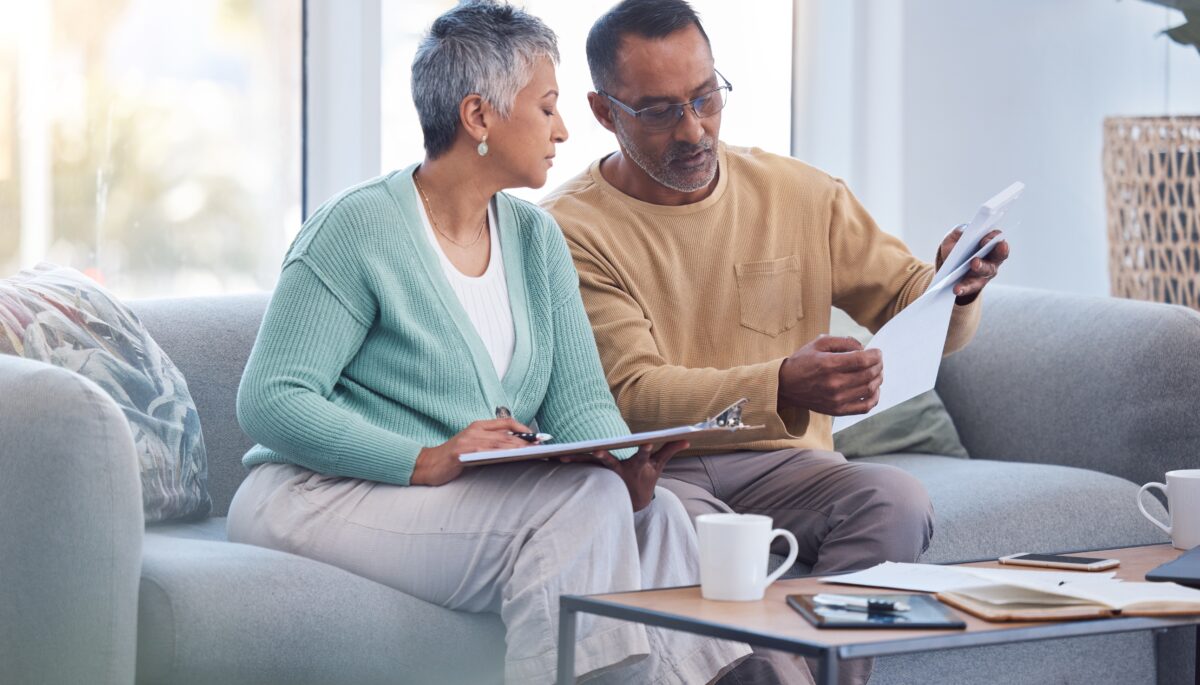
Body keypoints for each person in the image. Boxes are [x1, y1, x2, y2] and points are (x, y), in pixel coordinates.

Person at [225, 3, 751, 684]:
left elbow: (582, 402)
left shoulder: (536, 240)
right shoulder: (355, 229)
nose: (564, 130)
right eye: (548, 107)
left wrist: (627, 464)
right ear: (479, 117)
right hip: (318, 493)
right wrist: (425, 457)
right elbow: (270, 400)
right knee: (584, 505)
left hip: (448, 498)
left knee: (662, 516)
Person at [541, 1, 1010, 682]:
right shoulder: (566, 230)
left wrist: (955, 285)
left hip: (786, 464)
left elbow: (906, 300)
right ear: (604, 111)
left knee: (897, 498)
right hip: (659, 468)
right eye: (661, 110)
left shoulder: (801, 194)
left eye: (706, 97)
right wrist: (783, 383)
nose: (695, 129)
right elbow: (634, 393)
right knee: (665, 527)